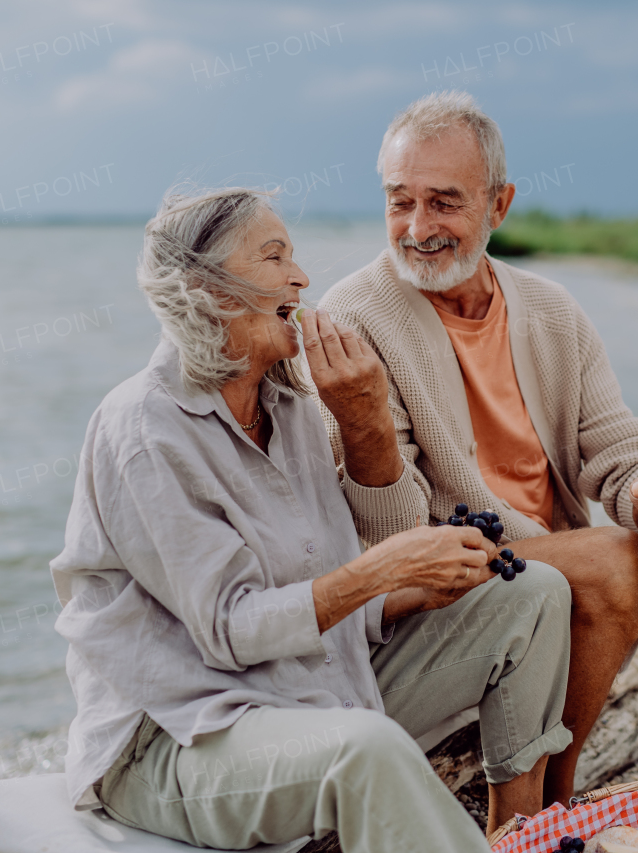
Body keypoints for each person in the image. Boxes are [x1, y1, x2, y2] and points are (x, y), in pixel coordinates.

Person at [49, 187, 574, 851]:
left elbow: (320, 586)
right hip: (181, 738)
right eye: (275, 257)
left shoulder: (292, 403)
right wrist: (379, 570)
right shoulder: (144, 428)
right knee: (365, 749)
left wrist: (407, 585)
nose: (301, 276)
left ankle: (520, 834)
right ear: (209, 290)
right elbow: (231, 630)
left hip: (307, 685)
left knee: (531, 594)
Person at [314, 91, 638, 809]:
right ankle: (549, 812)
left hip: (574, 571)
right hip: (448, 589)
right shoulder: (352, 320)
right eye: (399, 201)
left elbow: (616, 447)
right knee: (611, 560)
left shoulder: (551, 308)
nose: (418, 227)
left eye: (444, 202)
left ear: (499, 205)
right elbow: (387, 534)